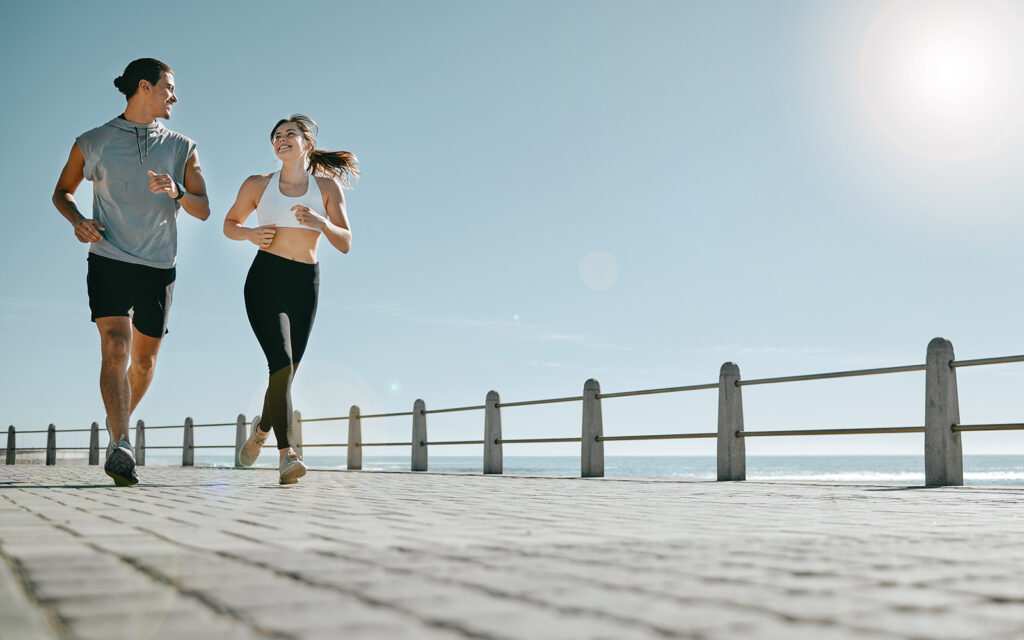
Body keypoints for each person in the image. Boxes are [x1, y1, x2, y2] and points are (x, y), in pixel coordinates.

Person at [52, 58, 210, 486]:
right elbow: (62, 192)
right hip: (109, 258)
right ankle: (122, 443)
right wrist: (77, 220)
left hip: (159, 266)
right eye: (169, 88)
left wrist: (176, 192)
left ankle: (114, 430)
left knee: (144, 361)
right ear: (145, 86)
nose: (174, 96)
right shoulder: (94, 141)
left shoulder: (182, 147)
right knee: (116, 346)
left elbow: (204, 208)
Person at [224, 114, 355, 484]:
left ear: (307, 144)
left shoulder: (327, 188)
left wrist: (321, 222)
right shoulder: (258, 184)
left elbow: (344, 242)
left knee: (289, 370)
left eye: (290, 134)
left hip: (305, 283)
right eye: (277, 136)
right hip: (266, 278)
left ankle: (263, 427)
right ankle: (288, 455)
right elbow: (229, 224)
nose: (282, 139)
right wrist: (250, 235)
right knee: (280, 363)